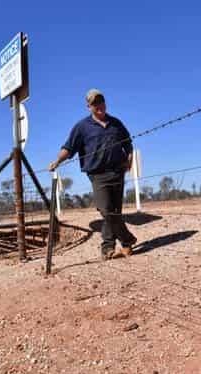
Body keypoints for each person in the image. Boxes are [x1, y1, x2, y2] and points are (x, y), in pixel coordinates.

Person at [49, 89, 137, 260]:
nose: (99, 106)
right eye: (95, 103)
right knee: (106, 210)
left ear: (105, 103)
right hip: (98, 175)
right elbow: (69, 148)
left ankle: (110, 248)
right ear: (89, 106)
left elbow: (128, 144)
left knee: (114, 212)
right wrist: (57, 161)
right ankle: (128, 238)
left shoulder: (116, 123)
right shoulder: (82, 127)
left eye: (101, 102)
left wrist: (129, 161)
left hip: (118, 172)